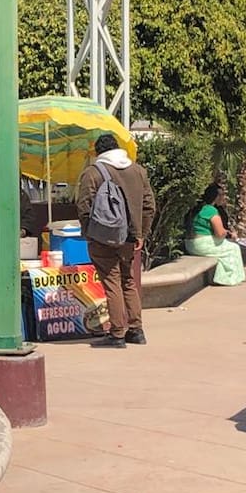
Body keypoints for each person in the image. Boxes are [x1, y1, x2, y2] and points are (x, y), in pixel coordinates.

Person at [75, 133, 156, 347]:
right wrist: (141, 233)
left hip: (103, 237)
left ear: (98, 152)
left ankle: (117, 333)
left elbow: (83, 205)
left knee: (111, 283)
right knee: (128, 281)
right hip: (130, 239)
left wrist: (89, 232)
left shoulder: (93, 173)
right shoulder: (139, 171)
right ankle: (136, 330)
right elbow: (149, 206)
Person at [184, 184, 246, 285]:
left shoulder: (198, 209)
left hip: (191, 244)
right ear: (215, 196)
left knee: (235, 246)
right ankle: (229, 277)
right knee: (235, 248)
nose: (223, 197)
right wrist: (228, 233)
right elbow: (220, 233)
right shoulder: (211, 210)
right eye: (221, 195)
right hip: (202, 244)